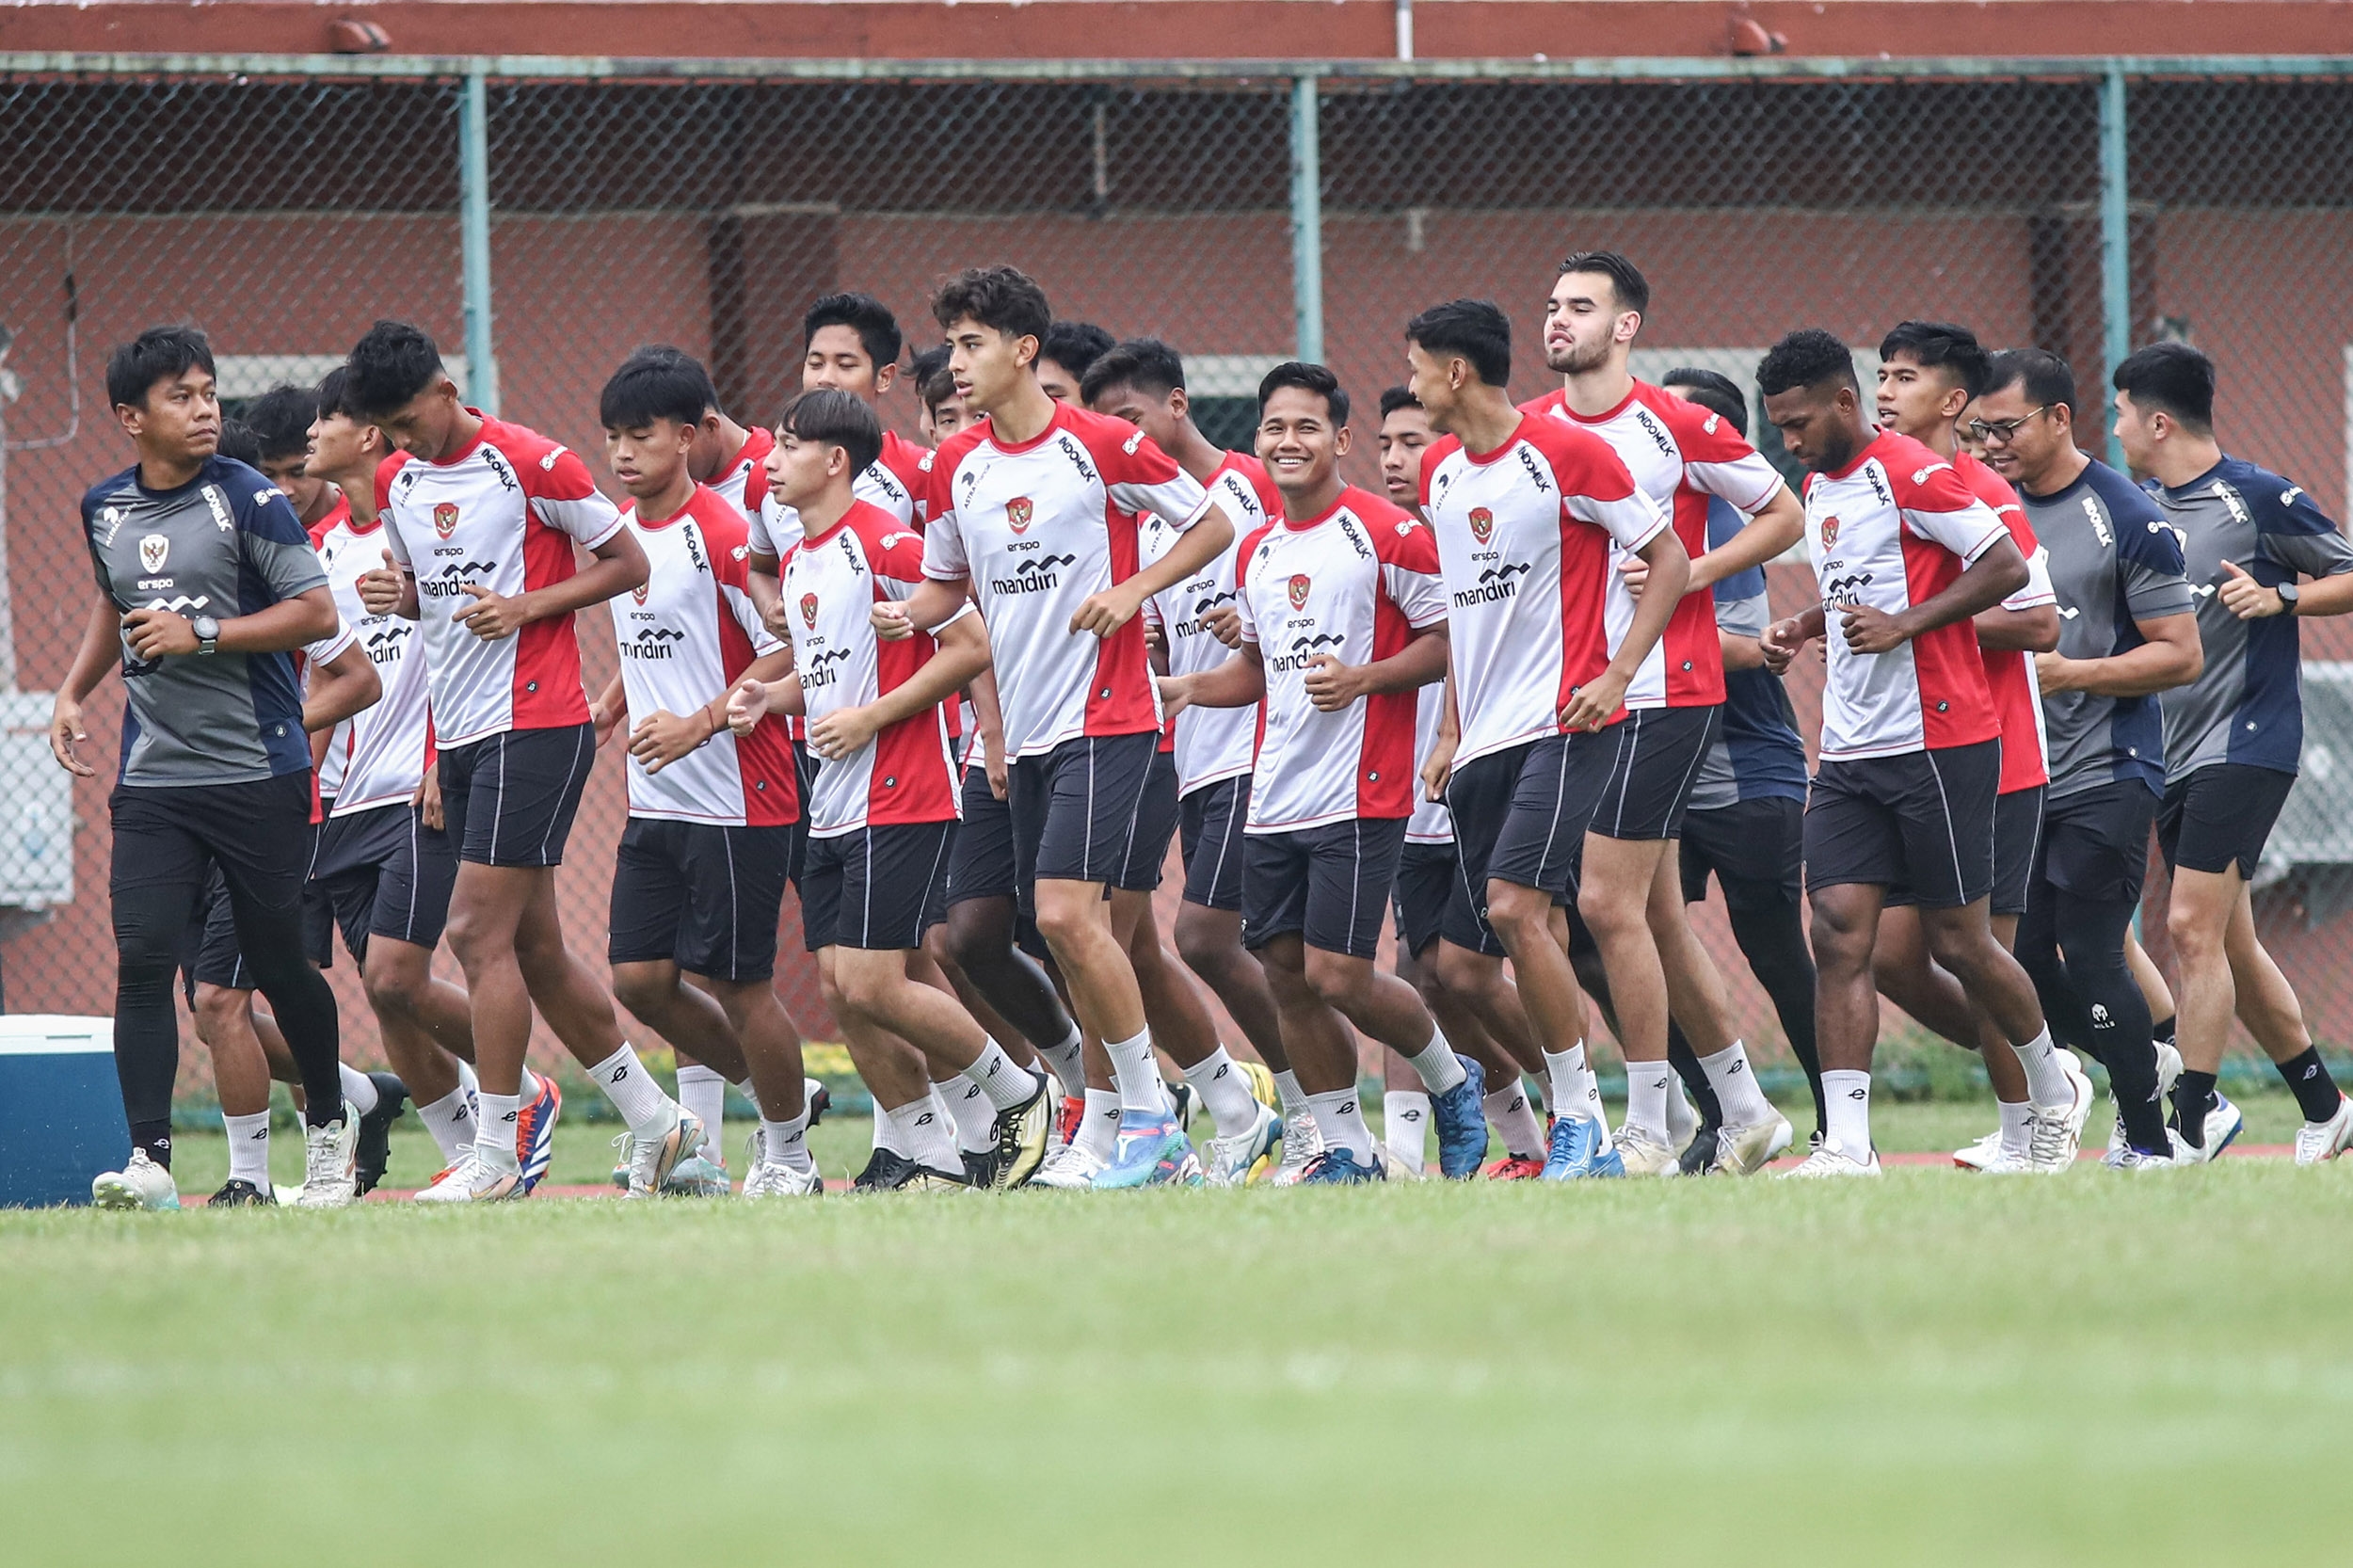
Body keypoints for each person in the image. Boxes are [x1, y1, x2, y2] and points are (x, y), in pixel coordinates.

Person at [883, 265, 1238, 1189]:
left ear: (1024, 350)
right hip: (1028, 734)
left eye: (971, 344)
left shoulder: (1100, 445)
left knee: (1067, 917)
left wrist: (1132, 590)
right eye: (953, 345)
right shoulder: (954, 467)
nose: (956, 364)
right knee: (1057, 934)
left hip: (1109, 720)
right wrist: (899, 614)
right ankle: (1107, 1128)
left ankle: (1155, 1126)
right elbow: (943, 586)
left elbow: (1212, 525)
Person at [346, 318, 703, 1202]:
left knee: (472, 935)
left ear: (444, 391)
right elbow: (429, 598)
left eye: (408, 421)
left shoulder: (536, 462)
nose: (399, 442)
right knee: (536, 951)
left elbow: (625, 564)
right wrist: (401, 593)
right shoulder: (397, 478)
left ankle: (498, 1157)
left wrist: (528, 606)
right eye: (387, 431)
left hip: (538, 726)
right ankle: (661, 1124)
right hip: (459, 736)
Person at [1755, 328, 2073, 1177]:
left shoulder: (1911, 472)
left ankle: (2052, 1084)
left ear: (1843, 403)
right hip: (1853, 751)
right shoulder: (1821, 487)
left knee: (1962, 944)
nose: (1787, 442)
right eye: (1777, 427)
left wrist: (1909, 625)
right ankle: (1849, 1146)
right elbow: (1862, 583)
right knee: (1840, 933)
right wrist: (1805, 621)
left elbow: (2004, 569)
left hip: (1943, 739)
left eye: (1796, 423)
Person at [1160, 361, 1482, 1183]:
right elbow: (1261, 673)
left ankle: (1452, 1079)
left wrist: (1365, 679)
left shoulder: (1386, 533)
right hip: (1274, 796)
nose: (1287, 441)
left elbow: (1449, 644)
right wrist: (1187, 687)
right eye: (1274, 427)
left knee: (1337, 972)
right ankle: (1345, 1150)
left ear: (1340, 441)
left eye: (1306, 427)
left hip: (1361, 792)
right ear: (1258, 440)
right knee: (1285, 976)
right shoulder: (1259, 549)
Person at [58, 326, 354, 1212]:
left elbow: (316, 613)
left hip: (258, 771)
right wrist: (75, 693)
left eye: (209, 392)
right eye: (181, 397)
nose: (204, 409)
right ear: (129, 417)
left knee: (274, 963)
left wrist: (209, 633)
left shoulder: (251, 498)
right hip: (154, 780)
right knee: (143, 962)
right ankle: (149, 1163)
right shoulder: (103, 507)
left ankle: (332, 1129)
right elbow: (116, 606)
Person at [1522, 252, 1803, 1176]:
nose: (1558, 320)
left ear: (1626, 325)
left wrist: (1690, 573)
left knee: (1603, 902)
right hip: (1576, 696)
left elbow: (1782, 514)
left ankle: (1649, 1122)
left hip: (1668, 690)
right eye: (1553, 306)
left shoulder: (1676, 422)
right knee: (1652, 915)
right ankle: (1747, 1108)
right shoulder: (1529, 430)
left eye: (1581, 306)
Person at [732, 389, 1052, 1190]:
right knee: (844, 989)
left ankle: (1022, 1096)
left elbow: (970, 646)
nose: (769, 462)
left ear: (835, 461)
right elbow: (833, 671)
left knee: (877, 980)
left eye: (788, 446)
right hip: (835, 798)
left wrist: (873, 718)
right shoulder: (803, 555)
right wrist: (773, 697)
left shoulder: (889, 546)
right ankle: (927, 1152)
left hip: (901, 794)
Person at [1407, 298, 1685, 1181]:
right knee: (1459, 966)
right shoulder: (1442, 472)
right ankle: (1561, 1118)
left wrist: (1616, 673)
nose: (1410, 386)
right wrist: (1450, 728)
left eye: (1417, 368)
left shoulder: (1566, 451)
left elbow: (1668, 558)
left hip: (1563, 726)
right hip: (1483, 741)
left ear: (1455, 372)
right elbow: (1458, 610)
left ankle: (1584, 1123)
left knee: (1518, 910)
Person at [586, 353, 827, 1198]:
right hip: (656, 801)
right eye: (612, 436)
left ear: (687, 438)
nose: (622, 452)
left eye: (641, 435)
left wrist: (698, 723)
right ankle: (792, 1094)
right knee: (639, 979)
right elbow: (665, 634)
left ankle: (789, 1156)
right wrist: (613, 701)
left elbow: (785, 645)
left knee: (738, 983)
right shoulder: (621, 532)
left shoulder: (723, 536)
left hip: (740, 795)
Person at [2116, 341, 2353, 1164]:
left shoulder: (2259, 497)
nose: (2115, 430)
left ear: (2157, 420)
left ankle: (2193, 1120)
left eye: (2119, 413)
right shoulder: (2136, 503)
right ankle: (2326, 1105)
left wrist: (2282, 593)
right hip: (2172, 751)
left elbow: (2348, 573)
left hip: (2247, 742)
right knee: (2230, 942)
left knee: (2187, 927)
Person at [1972, 346, 2199, 1168]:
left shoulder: (2127, 515)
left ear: (2060, 418)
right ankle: (2145, 1067)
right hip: (2018, 773)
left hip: (2109, 767)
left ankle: (2148, 1142)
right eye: (1978, 430)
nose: (1990, 445)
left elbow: (2181, 654)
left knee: (2095, 949)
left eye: (2006, 428)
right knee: (2020, 958)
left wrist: (2073, 671)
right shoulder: (1982, 509)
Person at [1864, 325, 2079, 1171]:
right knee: (1887, 954)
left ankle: (2033, 1122)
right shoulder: (1863, 485)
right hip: (1900, 751)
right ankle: (2045, 1068)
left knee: (1978, 945)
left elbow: (2038, 620)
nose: (1884, 390)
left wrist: (1922, 626)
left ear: (1952, 401)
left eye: (1904, 376)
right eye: (1879, 374)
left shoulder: (1982, 489)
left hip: (1994, 752)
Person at [1080, 337, 1292, 1185]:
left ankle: (1318, 1112)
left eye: (1129, 417)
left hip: (1265, 745)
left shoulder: (1248, 486)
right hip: (1186, 751)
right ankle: (1247, 1106)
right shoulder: (1142, 514)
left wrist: (1259, 632)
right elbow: (1163, 629)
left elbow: (1308, 589)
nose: (1118, 438)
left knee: (1210, 937)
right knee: (1148, 942)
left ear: (1177, 405)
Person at [304, 366, 504, 1189]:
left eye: (327, 420)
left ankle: (521, 1103)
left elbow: (460, 643)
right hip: (344, 802)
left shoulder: (422, 515)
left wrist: (437, 759)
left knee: (398, 974)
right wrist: (303, 791)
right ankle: (465, 1158)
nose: (312, 436)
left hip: (415, 790)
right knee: (389, 996)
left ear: (370, 435)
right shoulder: (318, 550)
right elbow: (321, 679)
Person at [1657, 366, 1830, 1154]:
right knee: (1618, 935)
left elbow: (1744, 653)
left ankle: (1842, 1121)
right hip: (1661, 772)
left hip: (1745, 771)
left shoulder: (1728, 525)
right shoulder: (1643, 516)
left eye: (1684, 423)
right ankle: (1723, 1112)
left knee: (1773, 944)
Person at [1376, 384, 1544, 1176]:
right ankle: (1487, 1142)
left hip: (1493, 774)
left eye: (1413, 441)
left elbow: (1459, 646)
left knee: (1491, 965)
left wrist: (1450, 731)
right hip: (1407, 802)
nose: (1397, 458)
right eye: (1386, 444)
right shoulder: (1372, 542)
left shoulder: (1474, 534)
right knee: (1425, 977)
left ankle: (1586, 1108)